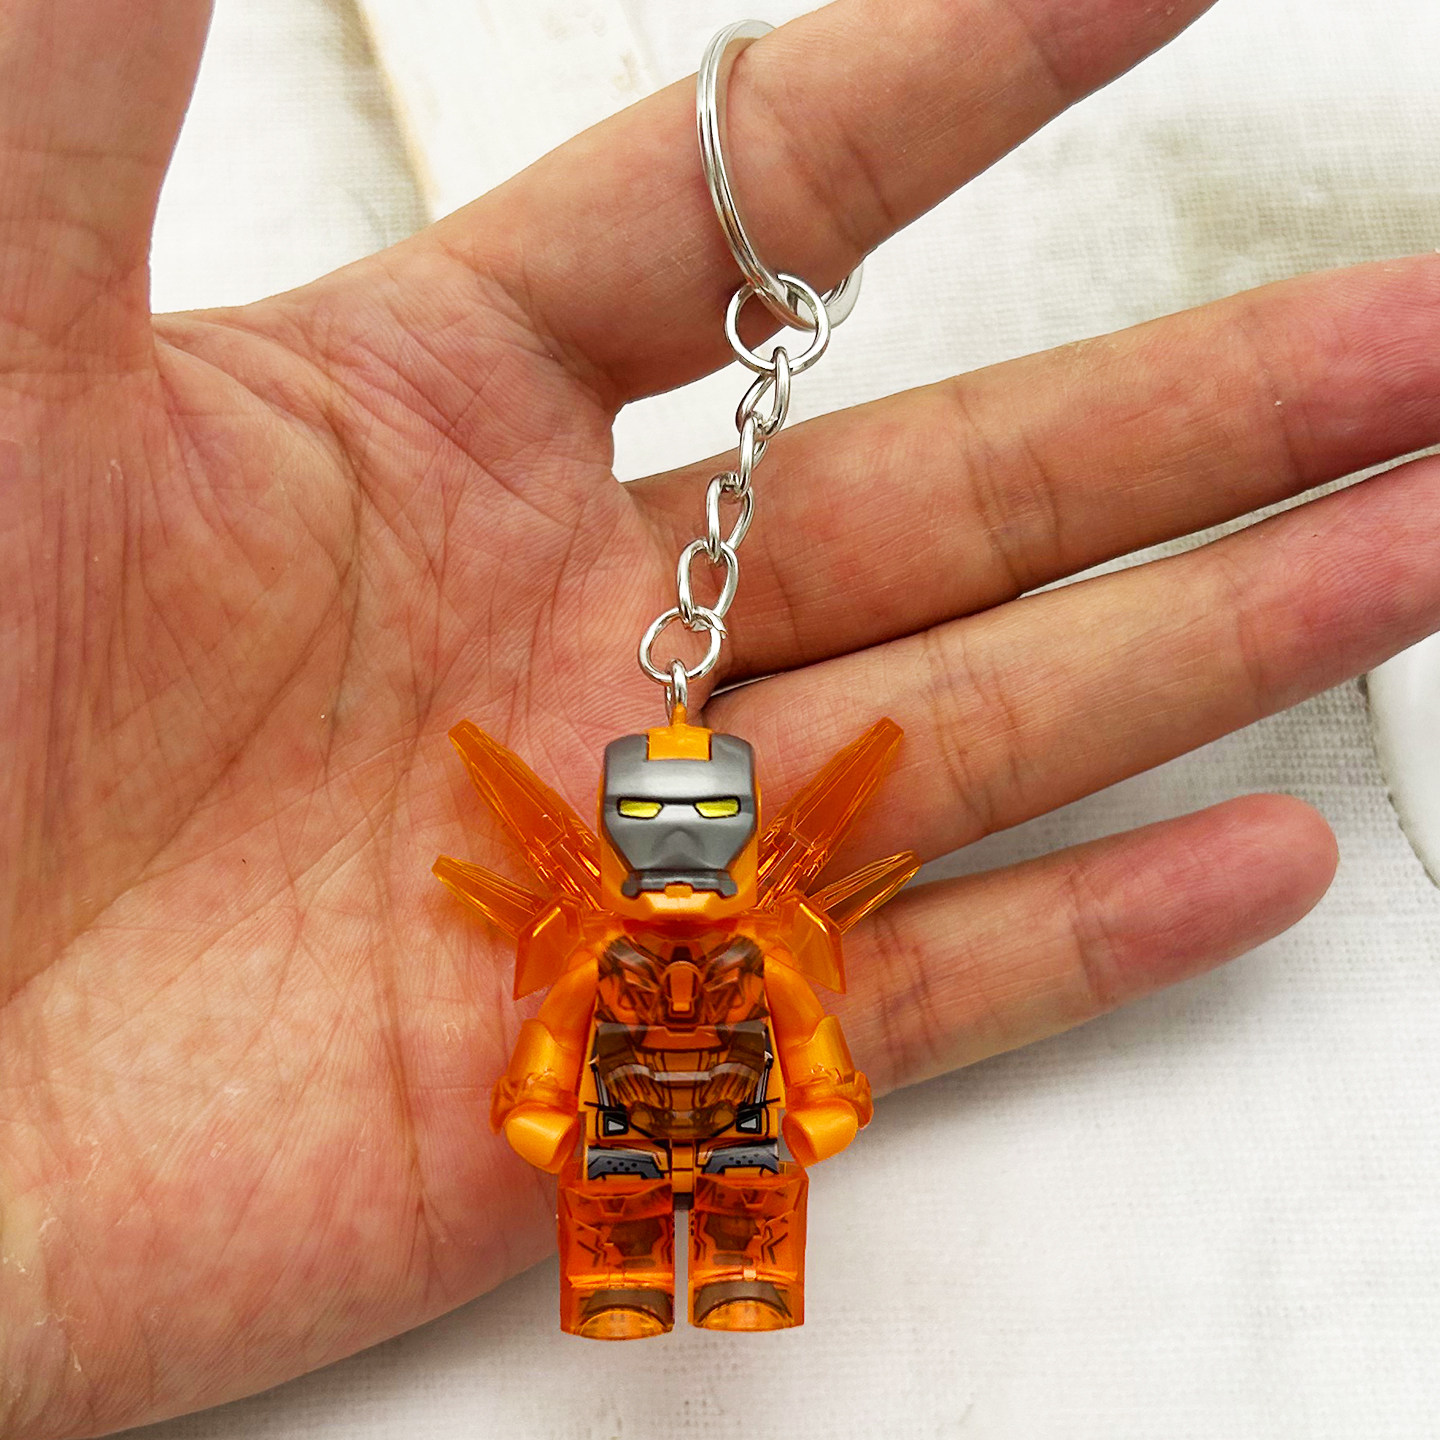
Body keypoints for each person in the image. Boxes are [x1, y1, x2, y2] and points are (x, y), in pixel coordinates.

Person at [4, 0, 1440, 1434]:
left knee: (750, 1229)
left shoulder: (758, 943)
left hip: (744, 1126)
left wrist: (817, 1093)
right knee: (619, 1241)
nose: (682, 840)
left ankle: (746, 1274)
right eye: (654, 814)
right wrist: (539, 1103)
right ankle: (627, 1284)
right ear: (616, 826)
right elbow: (556, 1033)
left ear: (745, 825)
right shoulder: (600, 945)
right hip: (621, 1136)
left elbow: (804, 1022)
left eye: (702, 816)